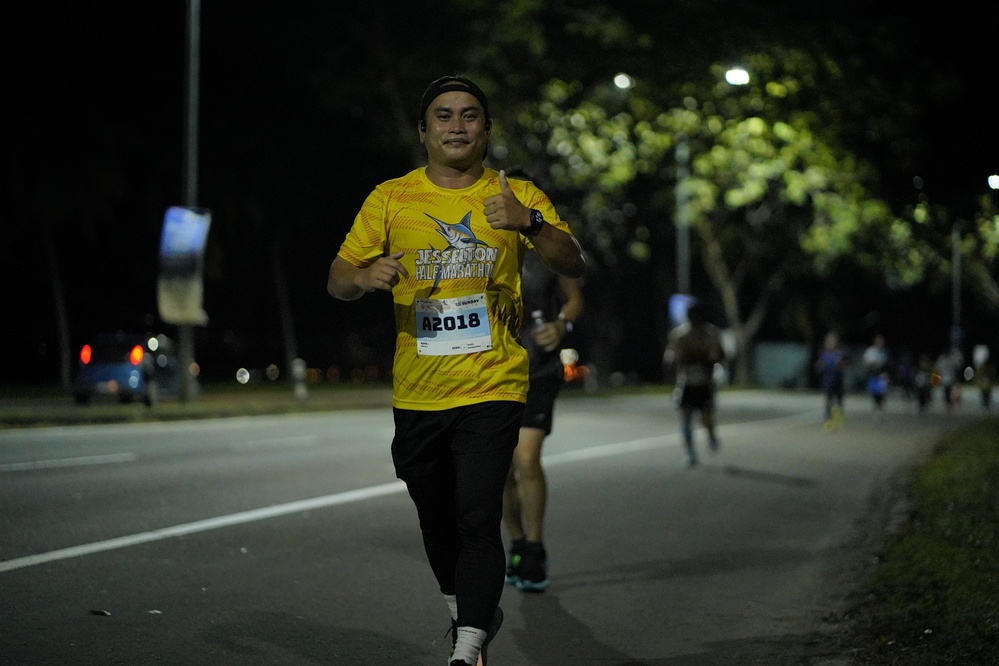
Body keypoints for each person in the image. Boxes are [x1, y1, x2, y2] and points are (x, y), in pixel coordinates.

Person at [327, 75, 584, 666]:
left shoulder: (517, 193)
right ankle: (471, 610)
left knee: (477, 514)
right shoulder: (391, 197)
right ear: (423, 131)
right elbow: (337, 278)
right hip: (419, 390)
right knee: (435, 517)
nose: (457, 126)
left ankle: (467, 649)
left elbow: (574, 263)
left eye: (470, 116)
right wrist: (363, 277)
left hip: (494, 382)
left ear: (487, 130)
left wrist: (530, 222)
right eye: (443, 116)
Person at [502, 246, 583, 593]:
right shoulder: (475, 242)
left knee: (526, 458)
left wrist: (561, 324)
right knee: (500, 468)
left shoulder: (547, 241)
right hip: (489, 369)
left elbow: (574, 298)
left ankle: (535, 548)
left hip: (538, 367)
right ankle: (517, 542)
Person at [664, 300, 725, 467]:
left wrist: (711, 360)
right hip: (686, 382)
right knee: (686, 420)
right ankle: (690, 453)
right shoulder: (680, 335)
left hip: (705, 383)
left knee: (706, 418)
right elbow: (670, 355)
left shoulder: (711, 333)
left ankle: (710, 432)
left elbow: (721, 353)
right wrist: (673, 362)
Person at [816, 331, 847, 427]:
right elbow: (819, 367)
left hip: (838, 381)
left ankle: (838, 416)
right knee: (829, 401)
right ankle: (828, 420)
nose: (830, 344)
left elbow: (844, 365)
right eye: (828, 342)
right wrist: (819, 366)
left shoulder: (839, 353)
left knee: (839, 401)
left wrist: (841, 364)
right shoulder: (823, 354)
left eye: (832, 341)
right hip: (828, 381)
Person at [863, 334, 891, 414]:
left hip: (882, 375)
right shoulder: (870, 351)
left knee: (882, 394)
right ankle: (876, 411)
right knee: (874, 394)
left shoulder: (885, 352)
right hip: (873, 375)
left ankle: (881, 411)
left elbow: (888, 364)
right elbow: (866, 363)